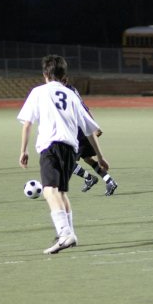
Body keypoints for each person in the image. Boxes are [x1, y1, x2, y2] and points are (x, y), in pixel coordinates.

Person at [18, 55, 109, 254]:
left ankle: (64, 233)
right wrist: (100, 157)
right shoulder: (71, 95)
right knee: (61, 192)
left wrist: (23, 150)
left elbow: (27, 123)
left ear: (45, 75)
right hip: (70, 148)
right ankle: (70, 234)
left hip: (50, 146)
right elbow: (89, 129)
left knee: (49, 191)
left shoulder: (39, 92)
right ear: (63, 75)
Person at [63, 81, 118, 196]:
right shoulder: (70, 89)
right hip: (82, 130)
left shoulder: (66, 91)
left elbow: (83, 107)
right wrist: (94, 125)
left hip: (77, 132)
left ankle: (89, 178)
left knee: (66, 162)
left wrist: (94, 126)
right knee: (88, 158)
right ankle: (109, 181)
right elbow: (84, 107)